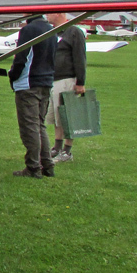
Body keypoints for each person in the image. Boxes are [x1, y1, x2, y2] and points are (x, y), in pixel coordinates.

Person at [8, 12, 58, 178]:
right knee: (39, 125)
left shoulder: (29, 30)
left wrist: (13, 75)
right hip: (46, 82)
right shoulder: (50, 29)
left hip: (28, 84)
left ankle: (33, 168)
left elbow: (21, 57)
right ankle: (47, 165)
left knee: (30, 128)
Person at [45, 12, 86, 163]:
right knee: (56, 116)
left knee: (66, 116)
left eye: (49, 13)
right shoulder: (53, 33)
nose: (47, 16)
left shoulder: (74, 32)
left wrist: (80, 82)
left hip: (67, 79)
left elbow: (80, 57)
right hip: (53, 80)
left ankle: (67, 151)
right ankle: (56, 147)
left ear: (59, 13)